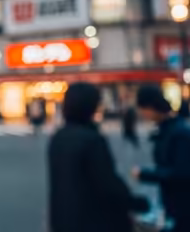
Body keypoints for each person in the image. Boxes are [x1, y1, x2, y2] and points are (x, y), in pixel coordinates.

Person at [48, 83, 148, 232]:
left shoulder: (58, 137)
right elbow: (107, 182)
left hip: (64, 219)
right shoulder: (91, 140)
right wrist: (135, 203)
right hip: (93, 221)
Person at [133, 85, 190, 232]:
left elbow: (181, 173)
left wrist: (145, 174)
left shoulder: (178, 132)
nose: (142, 114)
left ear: (151, 107)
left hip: (182, 204)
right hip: (173, 202)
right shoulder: (167, 129)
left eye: (143, 109)